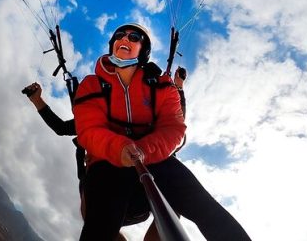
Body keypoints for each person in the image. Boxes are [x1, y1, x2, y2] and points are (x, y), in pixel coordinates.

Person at [73, 23, 252, 241]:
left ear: (144, 50)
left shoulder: (161, 85)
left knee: (206, 208)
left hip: (154, 159)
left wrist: (143, 150)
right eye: (119, 35)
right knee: (99, 227)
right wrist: (120, 149)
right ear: (112, 45)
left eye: (134, 37)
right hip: (108, 162)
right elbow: (89, 128)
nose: (125, 39)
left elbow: (173, 127)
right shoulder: (92, 84)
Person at [24, 61, 187, 241]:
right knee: (97, 223)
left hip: (140, 187)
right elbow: (62, 127)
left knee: (173, 202)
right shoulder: (95, 121)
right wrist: (37, 100)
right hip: (103, 190)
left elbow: (174, 122)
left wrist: (178, 87)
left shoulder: (146, 119)